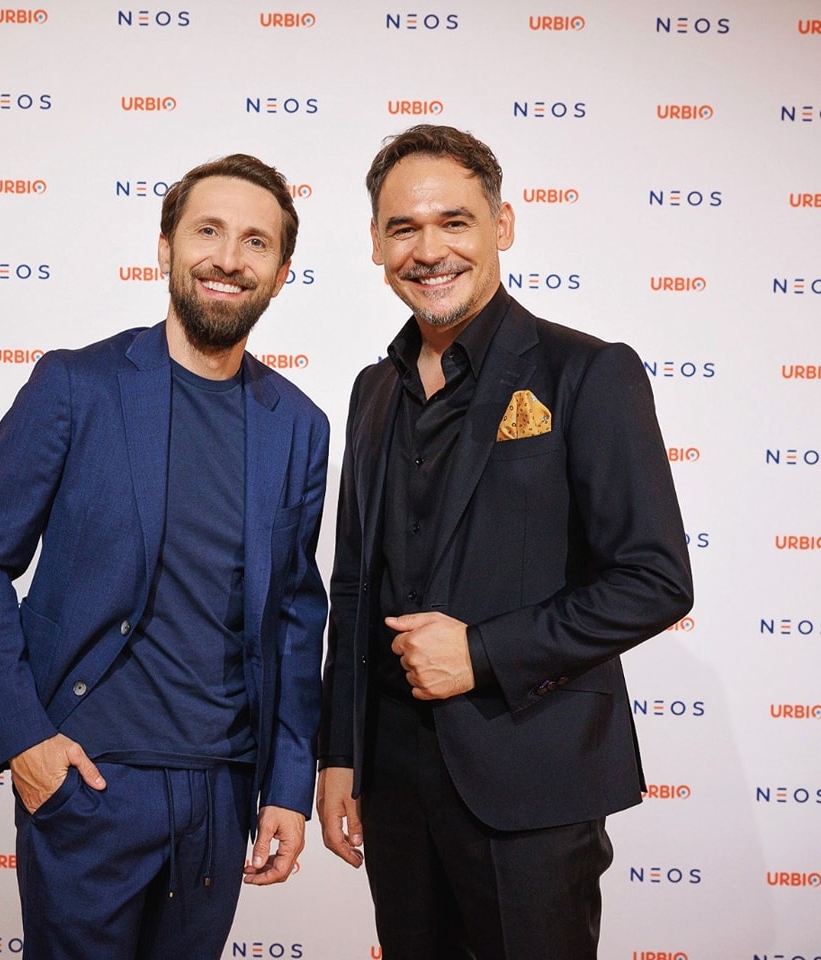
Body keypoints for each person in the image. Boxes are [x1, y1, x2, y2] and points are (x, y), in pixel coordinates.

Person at [317, 124, 693, 960]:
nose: (429, 251)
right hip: (394, 782)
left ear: (503, 226)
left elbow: (656, 578)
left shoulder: (587, 372)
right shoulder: (372, 391)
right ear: (376, 243)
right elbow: (354, 588)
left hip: (532, 780)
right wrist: (339, 752)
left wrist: (481, 653)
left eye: (454, 222)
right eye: (404, 228)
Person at [0, 153, 329, 960]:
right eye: (208, 231)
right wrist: (24, 740)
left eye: (256, 242)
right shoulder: (75, 386)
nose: (229, 257)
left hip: (223, 794)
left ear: (281, 273)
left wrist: (289, 786)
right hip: (90, 779)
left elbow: (297, 618)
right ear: (165, 247)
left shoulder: (298, 424)